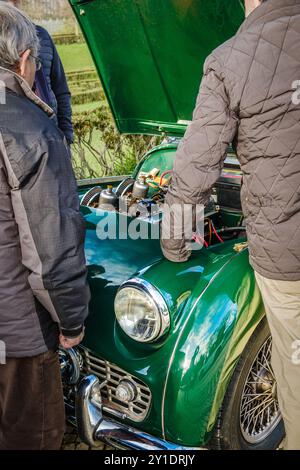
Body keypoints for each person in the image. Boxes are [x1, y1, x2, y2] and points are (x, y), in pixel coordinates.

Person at [161, 0, 300, 450]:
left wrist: (175, 242)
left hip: (286, 255)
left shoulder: (229, 59)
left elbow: (196, 167)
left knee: (296, 366)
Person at [0, 2, 90, 449]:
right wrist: (71, 322)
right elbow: (50, 251)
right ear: (23, 61)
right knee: (31, 432)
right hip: (19, 329)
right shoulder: (29, 129)